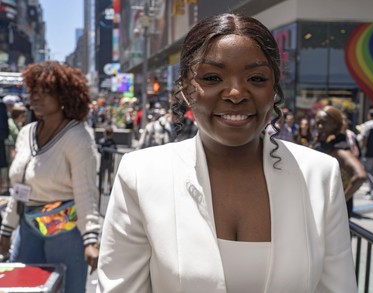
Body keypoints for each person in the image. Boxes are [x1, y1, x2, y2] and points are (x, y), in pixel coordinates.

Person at [97, 13, 357, 292]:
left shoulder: (321, 175)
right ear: (186, 86)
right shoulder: (140, 174)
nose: (235, 93)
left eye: (256, 78)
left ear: (273, 88)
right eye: (212, 77)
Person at [0, 61, 100, 293]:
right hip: (27, 229)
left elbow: (85, 191)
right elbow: (20, 187)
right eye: (33, 91)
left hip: (66, 232)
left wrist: (90, 239)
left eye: (45, 92)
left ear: (64, 96)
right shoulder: (26, 132)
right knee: (22, 287)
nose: (36, 97)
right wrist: (7, 229)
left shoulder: (77, 136)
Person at [313, 105, 367, 218]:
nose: (320, 126)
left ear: (335, 124)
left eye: (324, 123)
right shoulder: (324, 142)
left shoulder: (339, 149)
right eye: (318, 123)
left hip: (333, 213)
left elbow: (360, 175)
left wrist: (341, 201)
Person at [98, 126, 118, 193]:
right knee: (105, 174)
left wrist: (104, 149)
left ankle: (108, 187)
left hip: (108, 160)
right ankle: (104, 187)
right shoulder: (104, 141)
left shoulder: (110, 142)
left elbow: (114, 150)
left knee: (108, 175)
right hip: (106, 160)